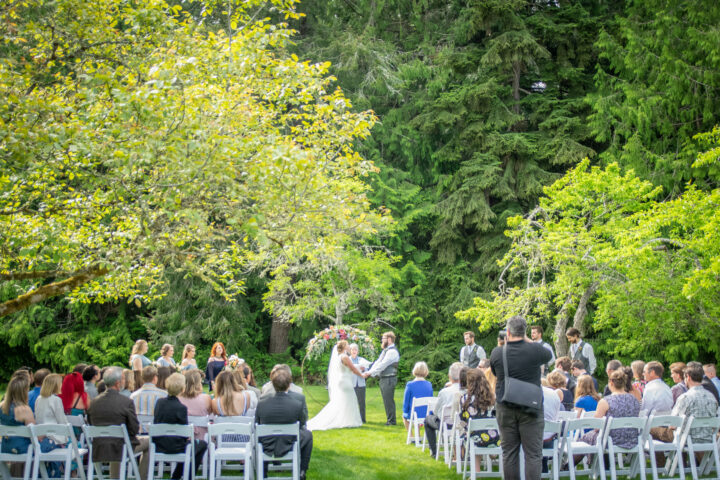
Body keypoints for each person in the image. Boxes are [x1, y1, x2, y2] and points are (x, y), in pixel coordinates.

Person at [490, 315, 552, 480]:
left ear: (508, 332)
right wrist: (527, 340)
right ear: (525, 332)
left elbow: (496, 374)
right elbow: (548, 356)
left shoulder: (497, 353)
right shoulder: (535, 350)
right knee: (533, 454)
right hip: (530, 406)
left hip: (505, 405)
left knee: (509, 453)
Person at [88, 367, 149, 480]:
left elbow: (90, 424)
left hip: (99, 447)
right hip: (121, 447)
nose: (124, 381)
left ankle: (115, 477)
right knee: (150, 441)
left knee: (119, 440)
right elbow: (134, 429)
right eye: (123, 379)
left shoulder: (93, 403)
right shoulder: (126, 402)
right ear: (118, 383)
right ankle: (142, 477)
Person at [255, 367, 313, 480]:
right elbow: (302, 423)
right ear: (289, 385)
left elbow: (257, 423)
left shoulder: (262, 402)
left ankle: (264, 471)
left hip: (267, 443)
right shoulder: (297, 403)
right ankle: (302, 470)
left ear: (273, 384)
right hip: (289, 442)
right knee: (308, 435)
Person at [153, 373, 207, 480]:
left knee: (193, 446)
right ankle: (186, 476)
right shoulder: (181, 408)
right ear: (183, 389)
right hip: (177, 446)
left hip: (158, 444)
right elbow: (183, 432)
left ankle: (176, 476)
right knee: (202, 444)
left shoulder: (159, 403)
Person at [307, 340, 364, 431]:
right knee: (349, 400)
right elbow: (352, 368)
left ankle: (347, 420)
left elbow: (349, 367)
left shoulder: (339, 357)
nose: (349, 347)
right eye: (348, 345)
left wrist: (358, 368)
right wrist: (362, 375)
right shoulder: (345, 357)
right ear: (344, 347)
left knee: (344, 401)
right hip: (345, 382)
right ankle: (349, 421)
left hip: (342, 381)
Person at [581, 370, 640, 450]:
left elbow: (597, 427)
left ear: (611, 383)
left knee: (586, 438)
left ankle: (570, 462)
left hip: (610, 440)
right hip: (632, 439)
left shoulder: (606, 401)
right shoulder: (634, 399)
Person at [458, 369, 500, 470]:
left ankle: (476, 471)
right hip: (494, 438)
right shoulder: (493, 398)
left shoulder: (465, 399)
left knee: (473, 434)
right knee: (480, 433)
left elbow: (463, 420)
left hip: (473, 439)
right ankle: (492, 453)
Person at [672, 363, 719, 445]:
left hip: (687, 440)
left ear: (688, 377)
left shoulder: (685, 397)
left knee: (654, 431)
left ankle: (674, 458)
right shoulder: (712, 397)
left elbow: (672, 425)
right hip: (709, 440)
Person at [425, 362, 463, 457]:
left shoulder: (444, 392)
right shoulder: (468, 390)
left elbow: (437, 411)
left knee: (428, 420)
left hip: (447, 424)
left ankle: (434, 451)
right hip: (463, 423)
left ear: (450, 377)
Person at [364, 331, 400, 426]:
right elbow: (378, 362)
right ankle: (390, 420)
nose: (381, 340)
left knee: (388, 400)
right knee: (386, 400)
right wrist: (370, 372)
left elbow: (383, 365)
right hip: (384, 378)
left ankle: (392, 421)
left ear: (389, 339)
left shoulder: (392, 352)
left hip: (389, 378)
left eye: (383, 338)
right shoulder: (386, 351)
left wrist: (370, 373)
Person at [34, 373, 67, 477]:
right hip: (54, 436)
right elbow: (62, 423)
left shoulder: (39, 399)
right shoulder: (56, 400)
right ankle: (72, 474)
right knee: (75, 444)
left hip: (41, 435)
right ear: (56, 385)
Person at [179, 370, 213, 440]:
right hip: (203, 438)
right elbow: (210, 414)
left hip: (184, 438)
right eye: (201, 382)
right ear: (198, 383)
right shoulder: (206, 398)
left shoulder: (178, 398)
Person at [402, 362, 433, 430]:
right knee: (418, 412)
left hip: (414, 414)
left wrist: (405, 411)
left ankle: (412, 436)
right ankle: (417, 435)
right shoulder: (429, 384)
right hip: (427, 414)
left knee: (404, 417)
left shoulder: (410, 385)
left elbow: (406, 401)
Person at [541, 381, 562, 473]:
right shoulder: (553, 394)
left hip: (531, 442)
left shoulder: (525, 393)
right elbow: (555, 418)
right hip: (551, 443)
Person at [349, 343, 371, 423]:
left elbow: (367, 370)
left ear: (358, 351)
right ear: (350, 351)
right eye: (352, 349)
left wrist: (363, 369)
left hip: (361, 384)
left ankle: (362, 419)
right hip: (351, 384)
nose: (354, 351)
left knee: (361, 402)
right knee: (351, 402)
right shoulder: (348, 359)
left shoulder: (362, 360)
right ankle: (352, 419)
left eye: (356, 350)